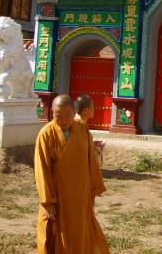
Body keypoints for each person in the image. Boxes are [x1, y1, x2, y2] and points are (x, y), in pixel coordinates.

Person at [34, 95, 109, 254]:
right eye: (57, 116)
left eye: (68, 115)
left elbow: (91, 163)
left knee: (81, 233)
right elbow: (42, 169)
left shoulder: (82, 129)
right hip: (59, 196)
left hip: (81, 196)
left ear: (74, 112)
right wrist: (48, 201)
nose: (63, 120)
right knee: (54, 233)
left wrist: (93, 192)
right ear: (52, 113)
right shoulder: (46, 134)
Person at [74, 95, 106, 167]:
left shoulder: (80, 123)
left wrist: (93, 144)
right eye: (92, 107)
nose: (94, 109)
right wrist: (97, 148)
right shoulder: (78, 125)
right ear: (85, 111)